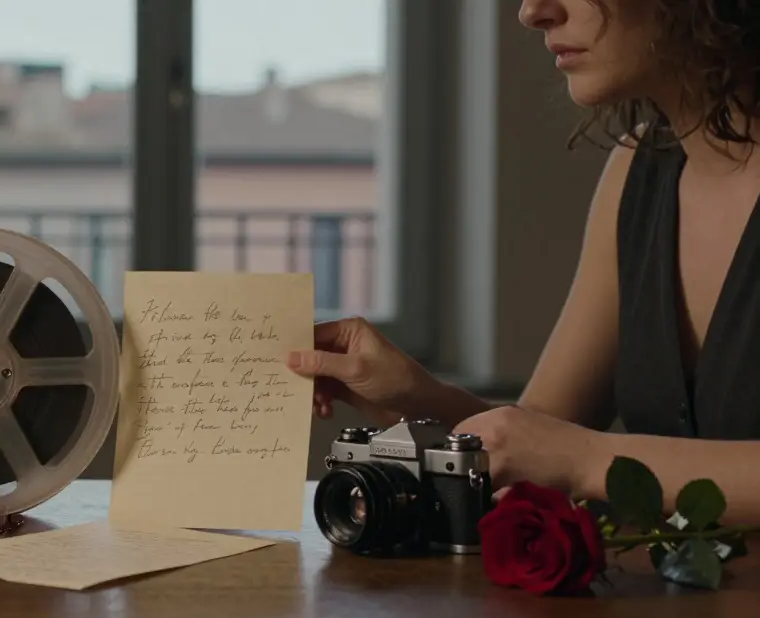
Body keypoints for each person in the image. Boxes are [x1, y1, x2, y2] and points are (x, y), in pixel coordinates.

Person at [286, 0, 760, 520]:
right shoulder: (637, 168)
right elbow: (537, 437)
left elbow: (568, 457)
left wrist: (588, 459)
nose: (533, 11)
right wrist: (417, 399)